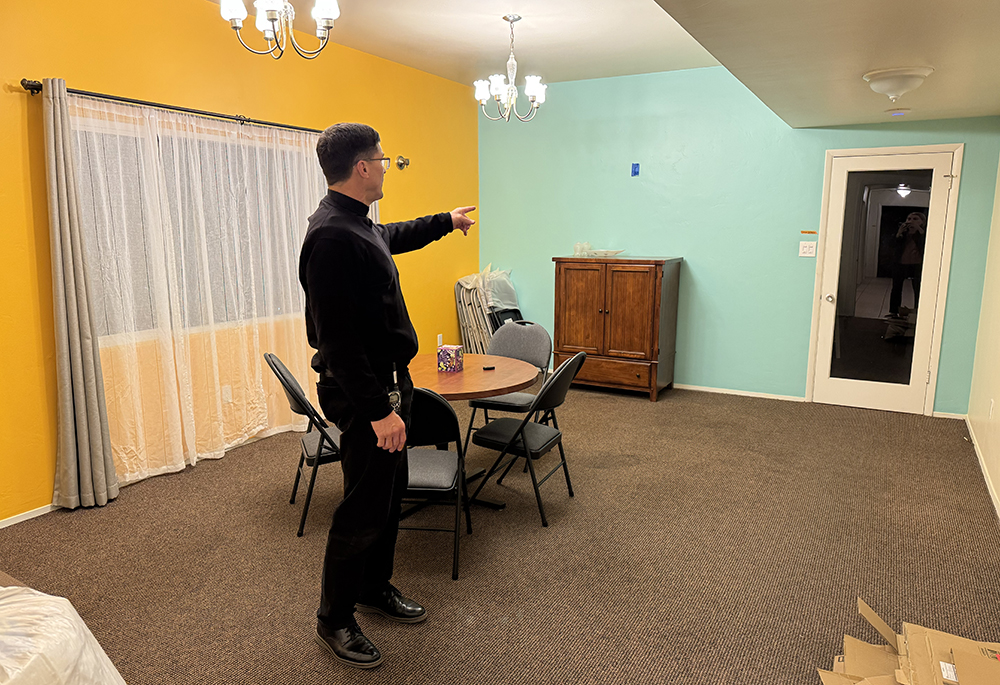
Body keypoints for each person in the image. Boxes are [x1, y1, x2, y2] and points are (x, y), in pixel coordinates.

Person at [298, 122, 475, 670]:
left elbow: (389, 237)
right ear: (363, 167)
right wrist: (378, 412)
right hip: (365, 392)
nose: (385, 163)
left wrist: (444, 223)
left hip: (389, 383)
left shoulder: (354, 224)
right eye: (382, 156)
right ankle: (334, 617)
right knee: (361, 508)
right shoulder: (330, 236)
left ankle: (375, 587)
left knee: (388, 498)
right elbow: (337, 341)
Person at [888, 211, 926, 319]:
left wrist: (919, 230)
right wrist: (899, 233)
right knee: (896, 288)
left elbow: (926, 247)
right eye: (909, 219)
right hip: (900, 264)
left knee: (918, 288)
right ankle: (893, 311)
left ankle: (918, 311)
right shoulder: (903, 233)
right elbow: (891, 245)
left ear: (922, 222)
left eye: (915, 219)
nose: (911, 221)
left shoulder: (924, 234)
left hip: (917, 265)